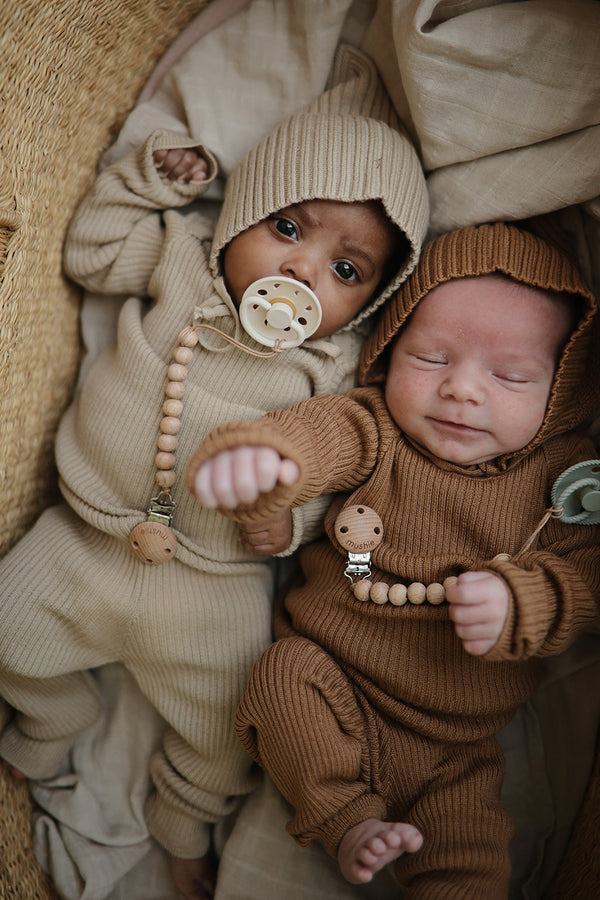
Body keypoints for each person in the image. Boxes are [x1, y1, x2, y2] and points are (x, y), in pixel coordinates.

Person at [0, 49, 429, 900]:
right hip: (86, 538)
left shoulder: (332, 372)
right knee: (5, 620)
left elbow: (339, 483)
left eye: (347, 270)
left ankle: (183, 821)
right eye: (289, 228)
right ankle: (52, 716)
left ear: (372, 304)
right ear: (237, 215)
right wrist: (148, 182)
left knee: (236, 727)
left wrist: (290, 524)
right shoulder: (185, 260)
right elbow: (90, 254)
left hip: (215, 585)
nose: (303, 271)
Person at [187, 221, 600, 899]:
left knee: (470, 861)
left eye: (510, 375)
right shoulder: (378, 428)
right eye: (432, 359)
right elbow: (318, 435)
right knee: (278, 682)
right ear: (388, 350)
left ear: (562, 394)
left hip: (454, 750)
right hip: (330, 679)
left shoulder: (566, 480)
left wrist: (523, 600)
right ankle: (344, 819)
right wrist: (265, 458)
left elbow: (587, 576)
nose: (462, 390)